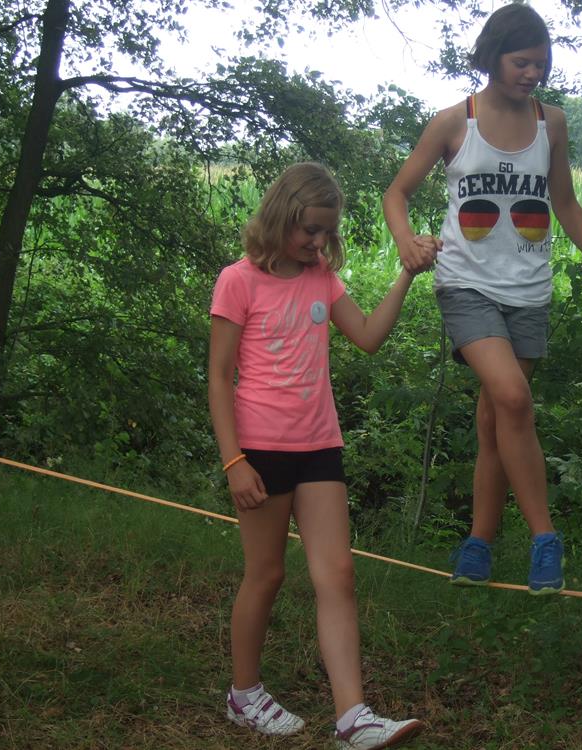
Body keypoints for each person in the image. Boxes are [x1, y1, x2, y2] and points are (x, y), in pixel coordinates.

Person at [383, 3, 582, 595]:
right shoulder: (453, 122)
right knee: (513, 397)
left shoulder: (551, 123)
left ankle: (478, 547)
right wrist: (406, 240)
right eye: (522, 63)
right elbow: (397, 193)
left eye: (541, 64)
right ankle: (545, 539)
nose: (532, 74)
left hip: (529, 290)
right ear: (493, 57)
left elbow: (564, 201)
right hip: (465, 283)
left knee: (496, 420)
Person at [208, 162, 424, 749]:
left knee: (339, 575)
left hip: (320, 445)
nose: (318, 241)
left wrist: (405, 275)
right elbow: (219, 377)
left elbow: (369, 337)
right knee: (267, 572)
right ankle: (244, 695)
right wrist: (234, 462)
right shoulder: (238, 281)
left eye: (327, 231)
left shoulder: (321, 278)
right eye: (309, 229)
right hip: (260, 450)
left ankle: (353, 717)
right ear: (281, 216)